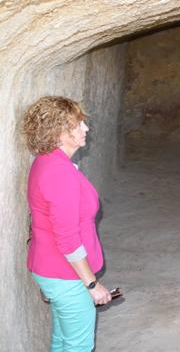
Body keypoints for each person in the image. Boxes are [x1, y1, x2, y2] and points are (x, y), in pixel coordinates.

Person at [22, 96, 112, 352]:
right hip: (65, 273)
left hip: (53, 268)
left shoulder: (47, 161)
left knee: (63, 340)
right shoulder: (60, 173)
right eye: (78, 124)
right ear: (59, 133)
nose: (86, 128)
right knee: (79, 346)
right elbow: (69, 239)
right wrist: (92, 285)